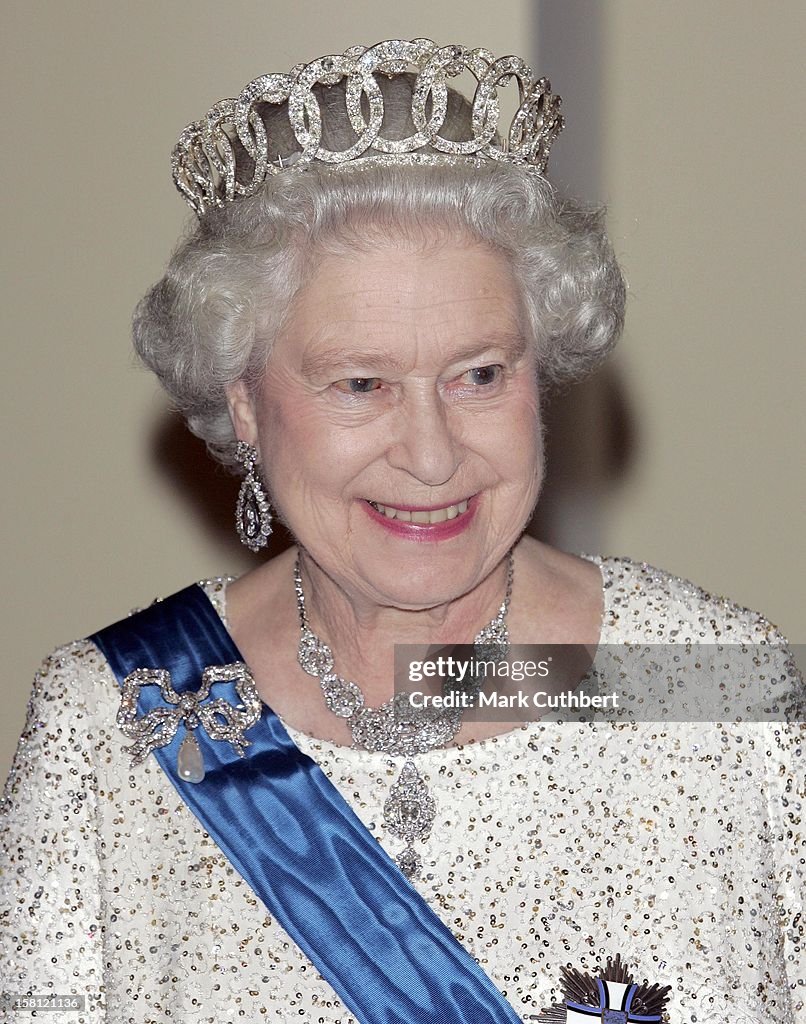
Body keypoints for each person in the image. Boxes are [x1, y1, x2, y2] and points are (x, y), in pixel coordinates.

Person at [1, 38, 803, 1024]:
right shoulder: (115, 722)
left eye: (478, 374)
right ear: (243, 399)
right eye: (360, 384)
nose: (430, 456)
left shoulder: (716, 684)